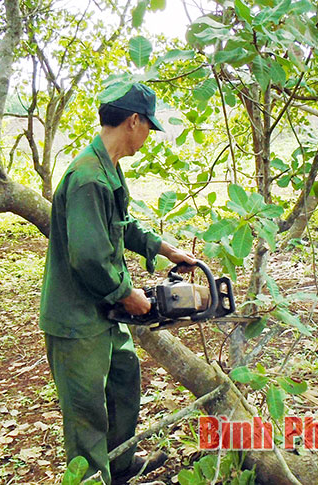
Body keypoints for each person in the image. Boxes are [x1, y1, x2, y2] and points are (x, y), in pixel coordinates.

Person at [39, 83, 196, 484]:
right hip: (78, 318)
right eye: (149, 127)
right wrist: (127, 295)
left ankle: (121, 464)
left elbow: (120, 225)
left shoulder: (107, 169)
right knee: (87, 413)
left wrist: (166, 249)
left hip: (104, 313)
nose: (148, 136)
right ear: (134, 121)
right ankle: (93, 477)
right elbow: (88, 257)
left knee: (124, 382)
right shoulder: (88, 177)